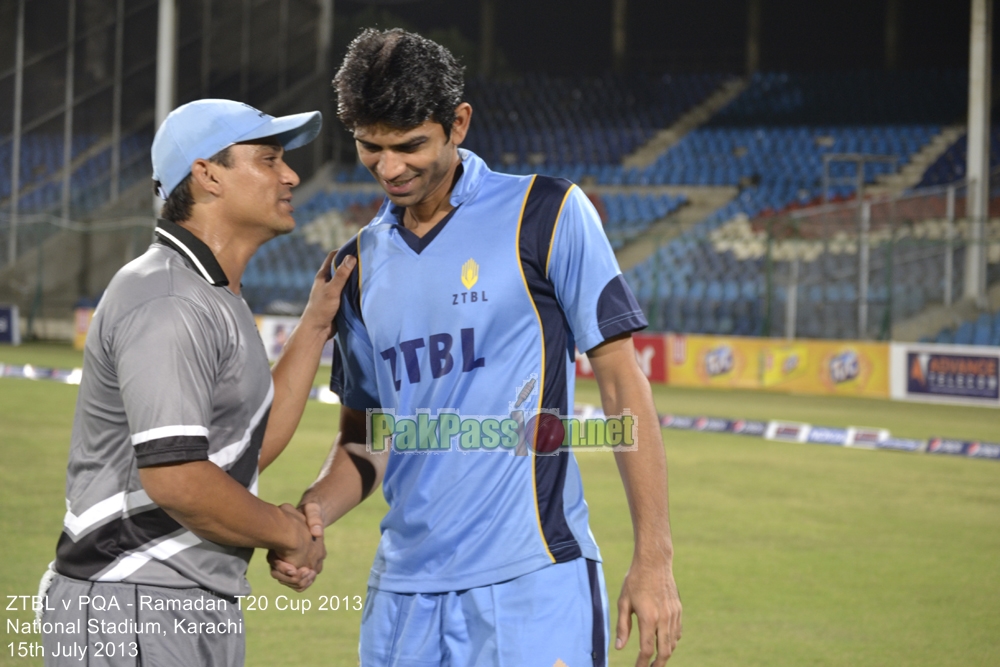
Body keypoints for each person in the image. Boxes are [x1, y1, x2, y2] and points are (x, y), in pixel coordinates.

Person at [271, 29, 682, 667]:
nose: (389, 169)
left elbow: (625, 386)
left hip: (533, 582)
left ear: (458, 123)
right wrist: (313, 513)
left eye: (410, 146)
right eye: (370, 148)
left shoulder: (546, 214)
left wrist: (653, 559)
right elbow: (369, 439)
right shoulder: (354, 266)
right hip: (401, 598)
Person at [39, 99, 353, 666]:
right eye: (268, 159)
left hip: (178, 598)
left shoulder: (211, 294)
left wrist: (314, 326)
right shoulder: (166, 298)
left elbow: (242, 449)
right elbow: (180, 479)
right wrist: (285, 532)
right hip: (131, 599)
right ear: (207, 174)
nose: (291, 175)